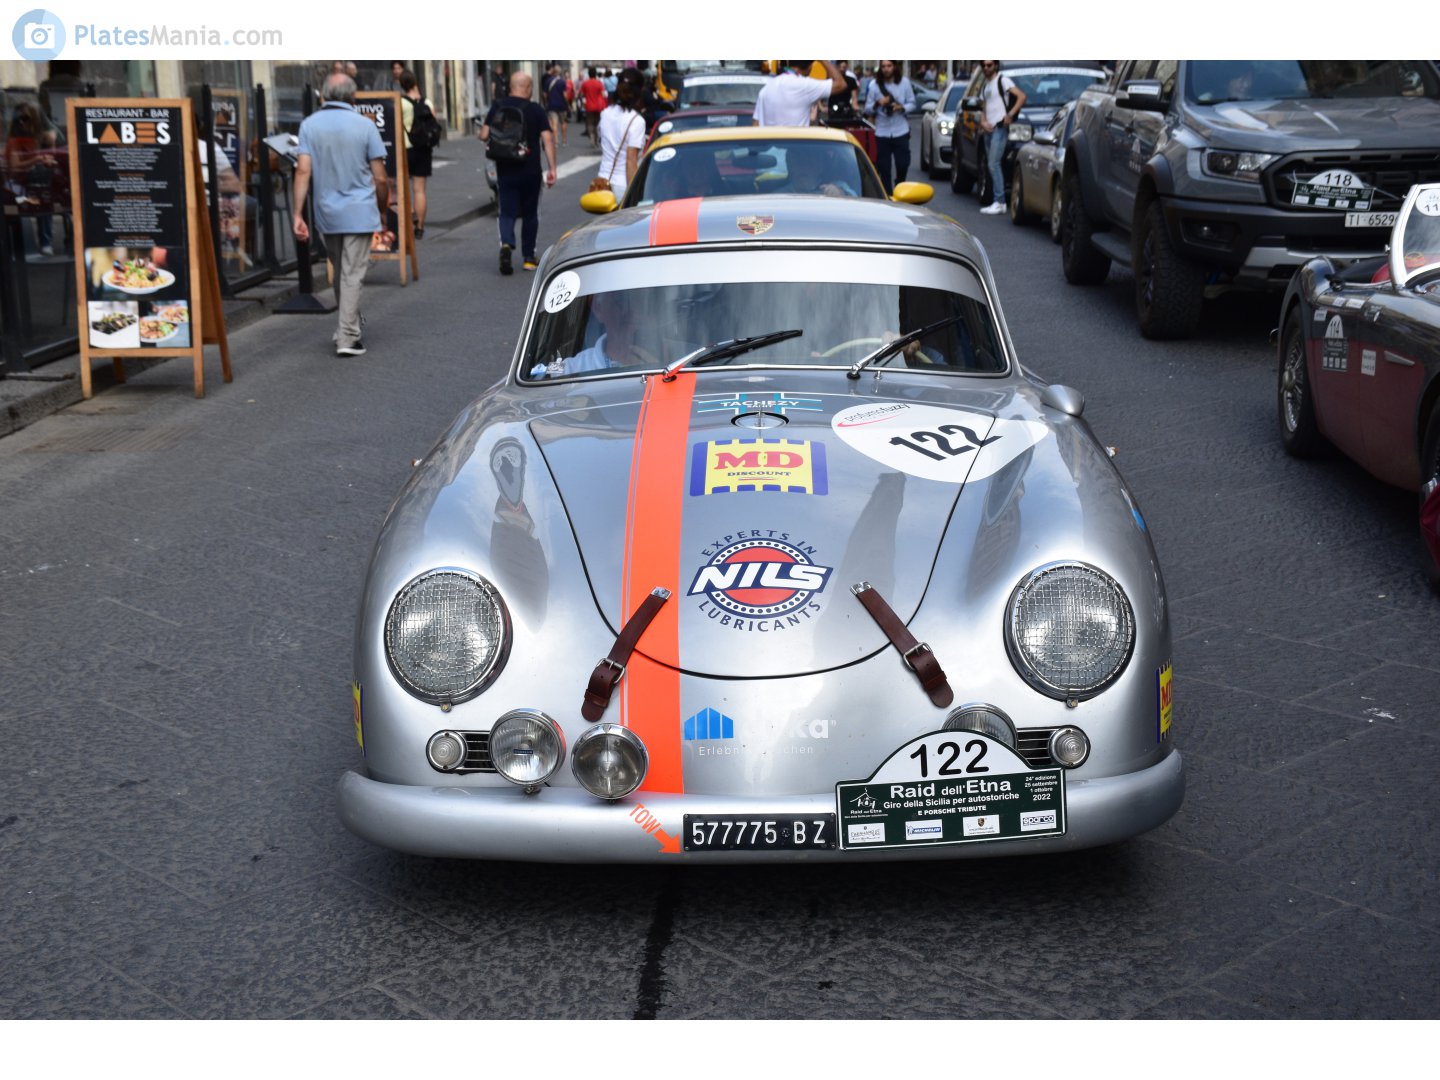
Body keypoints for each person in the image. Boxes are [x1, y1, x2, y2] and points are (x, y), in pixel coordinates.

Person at [292, 73, 388, 356]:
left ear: (323, 95)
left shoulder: (309, 125)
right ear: (353, 97)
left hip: (327, 211)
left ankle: (348, 325)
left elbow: (303, 170)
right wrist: (382, 210)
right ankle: (347, 336)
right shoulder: (365, 126)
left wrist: (297, 213)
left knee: (340, 272)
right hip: (359, 210)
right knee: (352, 273)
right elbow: (381, 178)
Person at [478, 71, 557, 274]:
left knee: (507, 212)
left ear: (511, 87)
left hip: (505, 169)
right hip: (530, 170)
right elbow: (547, 140)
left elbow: (483, 134)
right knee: (531, 214)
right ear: (528, 88)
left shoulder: (498, 106)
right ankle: (529, 258)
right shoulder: (536, 110)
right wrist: (552, 169)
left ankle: (506, 244)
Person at [533, 289, 659, 377]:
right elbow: (539, 373)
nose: (630, 310)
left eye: (638, 301)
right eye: (621, 300)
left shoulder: (668, 361)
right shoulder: (573, 368)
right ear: (599, 309)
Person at [976, 60, 1026, 214]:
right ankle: (998, 200)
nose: (986, 68)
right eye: (984, 65)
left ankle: (1000, 201)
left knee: (993, 163)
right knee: (992, 165)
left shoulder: (1003, 80)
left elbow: (1021, 96)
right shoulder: (985, 86)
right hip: (989, 130)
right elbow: (985, 107)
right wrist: (983, 122)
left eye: (989, 65)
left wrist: (1009, 115)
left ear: (995, 66)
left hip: (1000, 128)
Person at [863, 60, 916, 196]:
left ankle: (900, 189)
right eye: (883, 66)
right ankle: (887, 196)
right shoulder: (874, 85)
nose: (886, 69)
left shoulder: (904, 83)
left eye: (889, 66)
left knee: (902, 164)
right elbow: (867, 109)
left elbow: (912, 103)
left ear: (894, 67)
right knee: (884, 168)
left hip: (901, 130)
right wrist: (878, 103)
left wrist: (901, 107)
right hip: (882, 132)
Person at [596, 68, 646, 201]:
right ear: (638, 92)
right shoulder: (637, 121)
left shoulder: (605, 113)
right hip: (622, 187)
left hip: (601, 183)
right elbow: (631, 160)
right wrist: (633, 196)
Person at [753, 61, 847, 127]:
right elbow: (841, 84)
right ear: (810, 67)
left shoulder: (766, 88)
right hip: (796, 150)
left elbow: (755, 124)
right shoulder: (806, 85)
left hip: (769, 152)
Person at [399, 70, 433, 238]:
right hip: (423, 149)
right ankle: (420, 227)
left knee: (403, 188)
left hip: (406, 148)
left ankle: (406, 223)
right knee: (419, 190)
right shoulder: (427, 101)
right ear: (415, 82)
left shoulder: (400, 103)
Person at [776, 144, 855, 197]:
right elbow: (767, 218)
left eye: (808, 161)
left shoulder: (837, 186)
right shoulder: (779, 195)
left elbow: (857, 201)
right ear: (789, 166)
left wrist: (840, 193)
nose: (802, 167)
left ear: (820, 165)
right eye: (796, 161)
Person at [543, 64, 570, 149]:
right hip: (562, 105)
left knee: (554, 124)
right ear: (560, 72)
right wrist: (568, 103)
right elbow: (565, 95)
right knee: (563, 123)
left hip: (551, 105)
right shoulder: (562, 82)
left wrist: (547, 101)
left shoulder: (547, 81)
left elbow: (544, 95)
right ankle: (564, 140)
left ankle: (556, 141)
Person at [580, 67, 607, 148]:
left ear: (588, 74)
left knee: (590, 123)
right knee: (597, 123)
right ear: (595, 74)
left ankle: (592, 139)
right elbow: (603, 95)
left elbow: (582, 94)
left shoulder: (585, 83)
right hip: (598, 107)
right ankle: (597, 138)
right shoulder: (599, 83)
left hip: (589, 106)